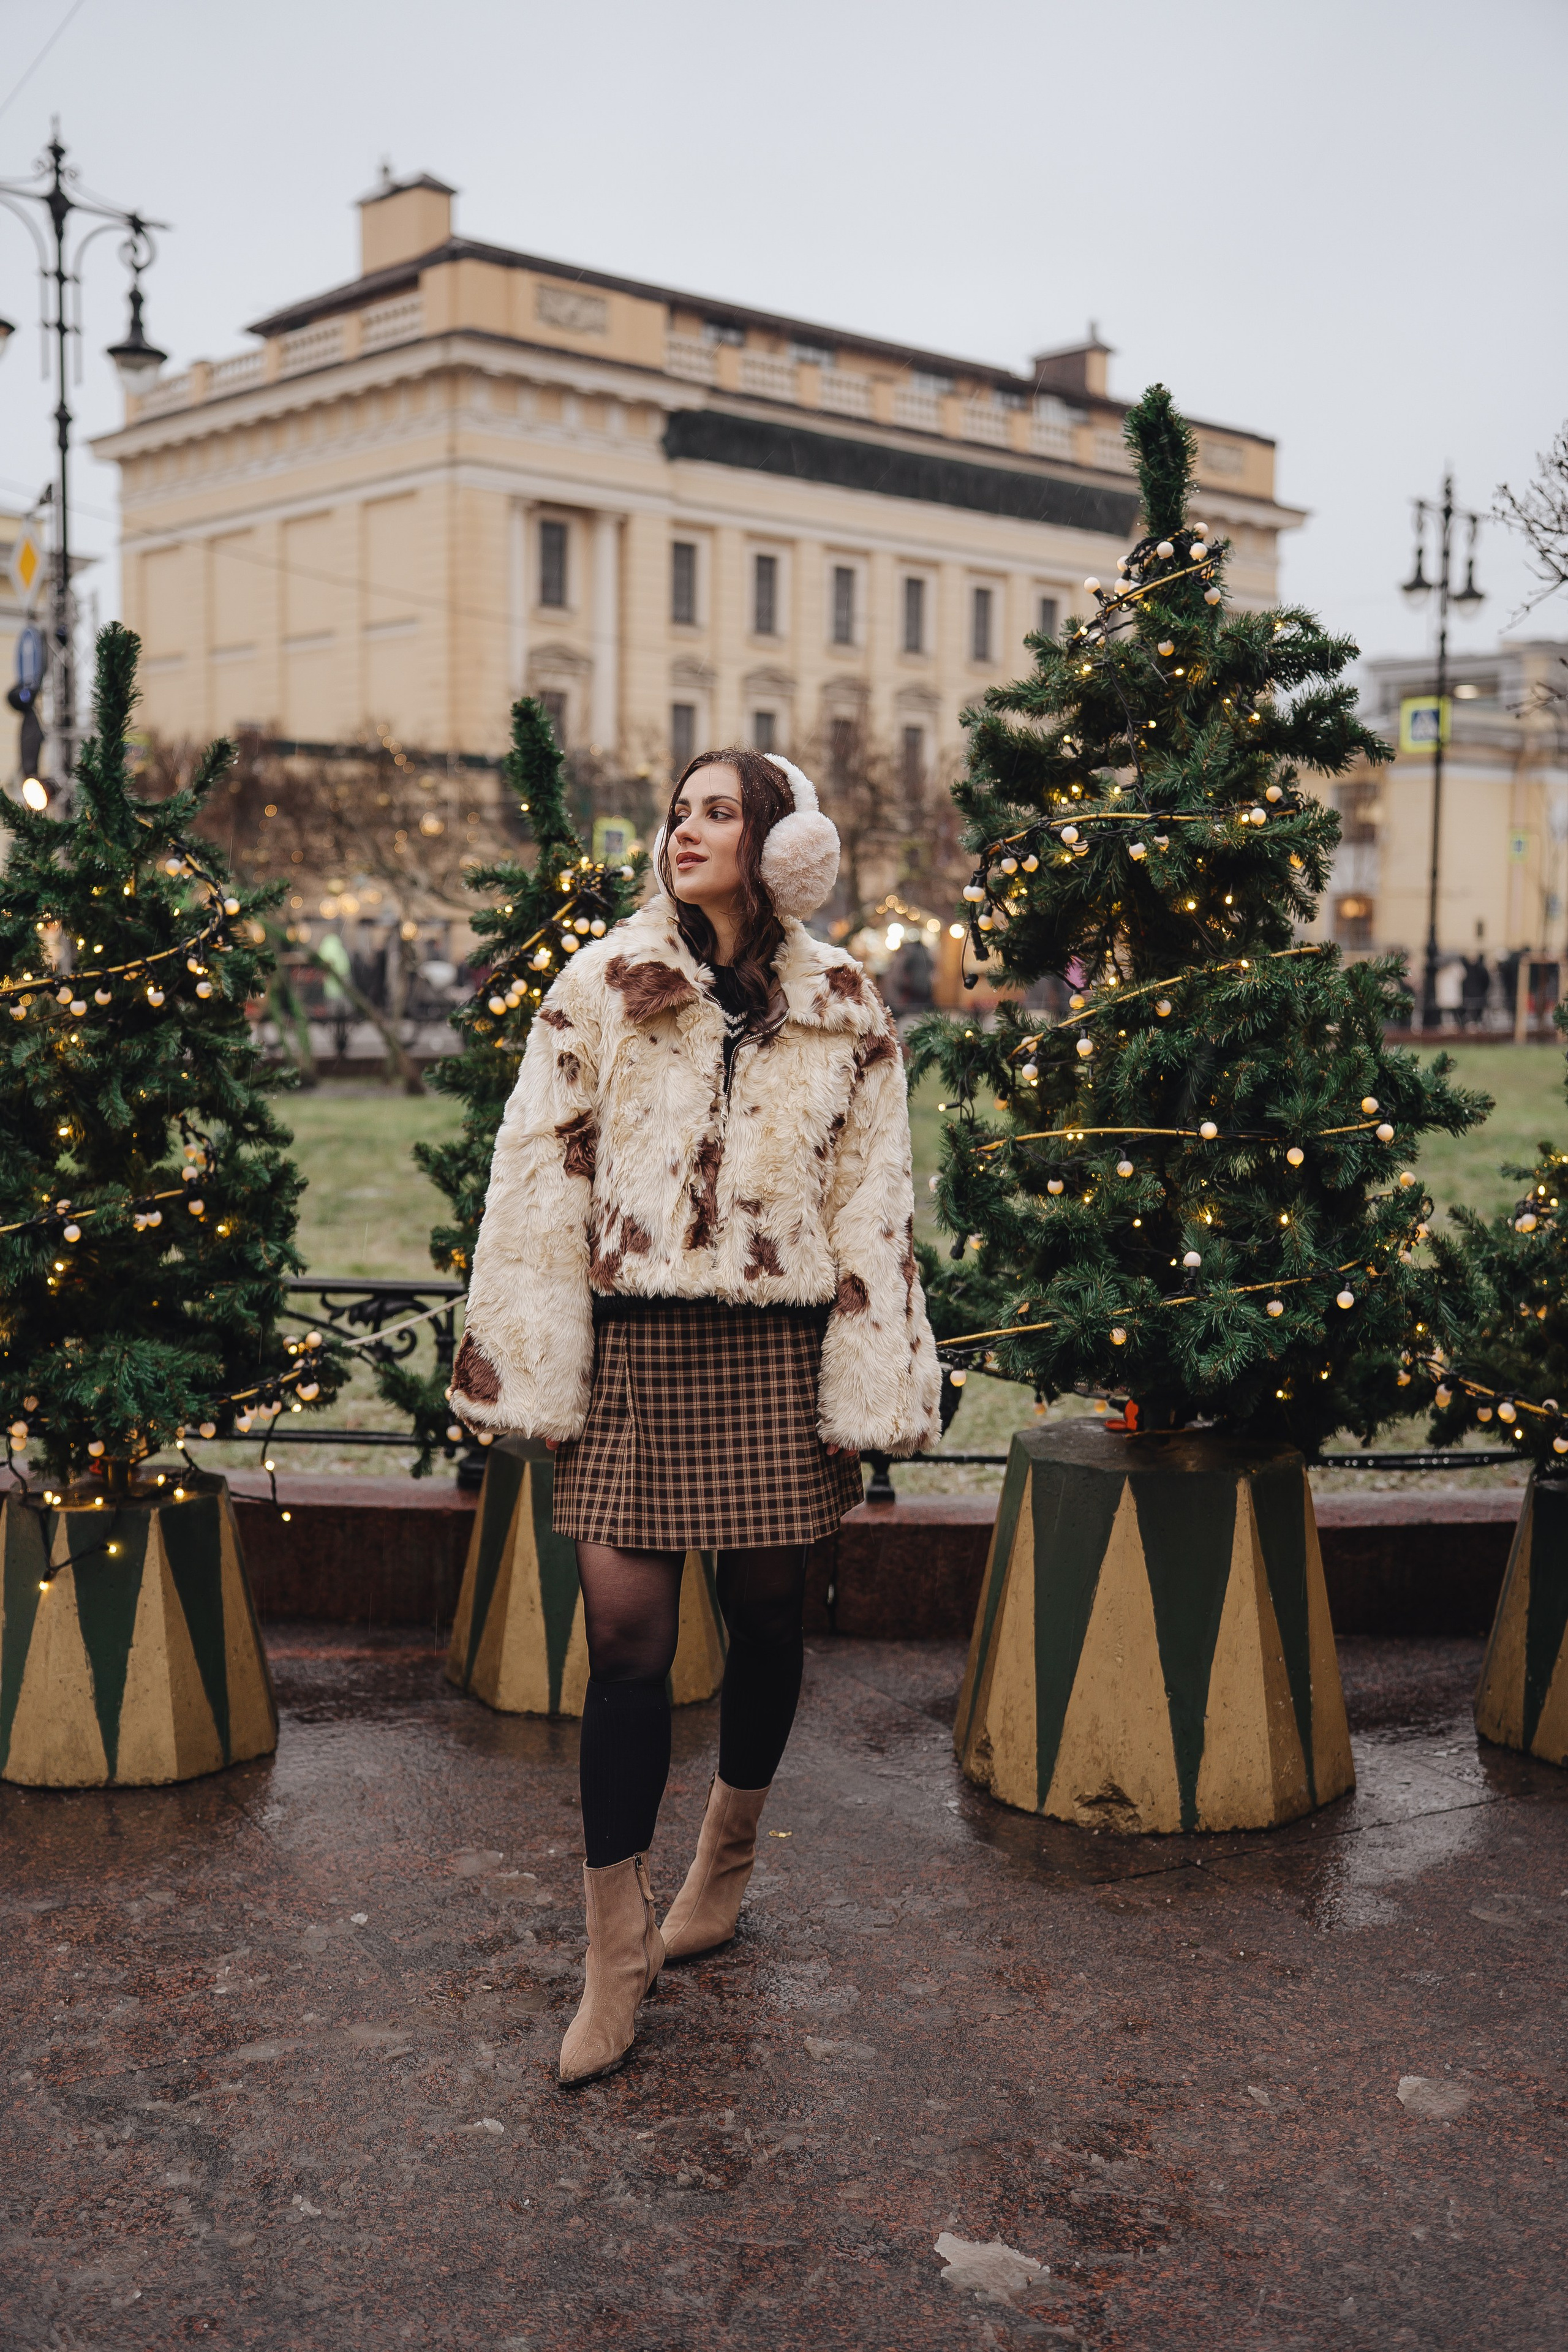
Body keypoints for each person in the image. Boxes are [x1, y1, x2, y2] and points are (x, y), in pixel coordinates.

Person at [451, 747, 940, 2084]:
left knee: (770, 1614)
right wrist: (533, 1357)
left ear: (782, 844)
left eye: (716, 812)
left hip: (776, 1356)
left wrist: (868, 1366)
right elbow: (537, 1178)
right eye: (678, 811)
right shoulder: (604, 983)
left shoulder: (844, 1002)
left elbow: (873, 1197)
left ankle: (721, 1864)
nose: (684, 831)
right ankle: (611, 1954)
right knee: (624, 1641)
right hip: (634, 1350)